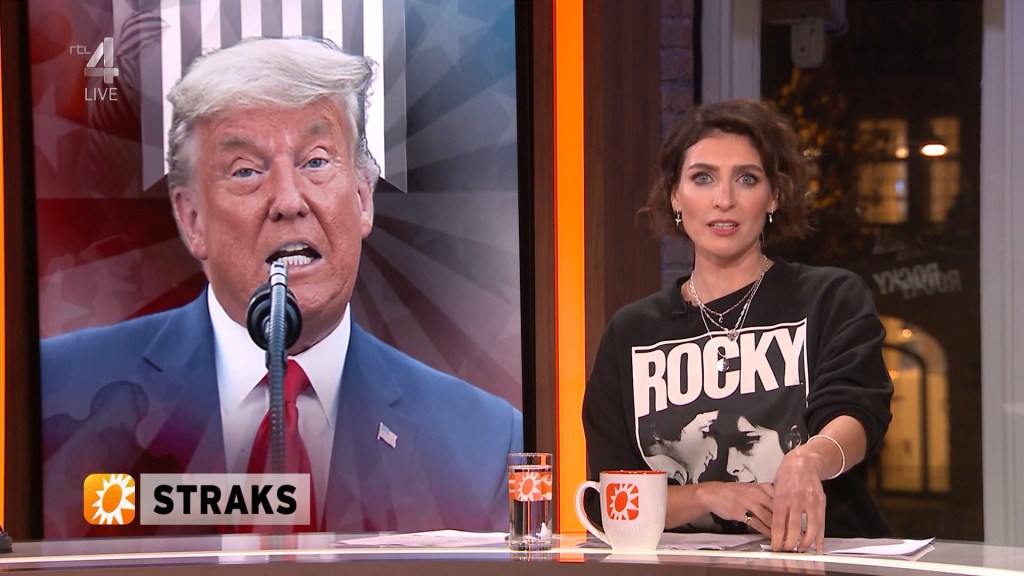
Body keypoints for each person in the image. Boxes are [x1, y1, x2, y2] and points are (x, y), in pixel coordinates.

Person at [41, 37, 523, 538]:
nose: (289, 201)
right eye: (246, 171)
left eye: (316, 161)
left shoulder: (486, 445)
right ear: (192, 219)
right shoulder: (57, 393)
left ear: (363, 198)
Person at [582, 99, 893, 553]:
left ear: (774, 195)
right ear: (675, 196)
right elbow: (611, 498)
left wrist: (809, 459)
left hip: (819, 558)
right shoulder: (631, 332)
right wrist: (710, 496)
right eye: (702, 178)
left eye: (747, 178)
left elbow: (860, 411)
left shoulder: (829, 297)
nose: (723, 199)